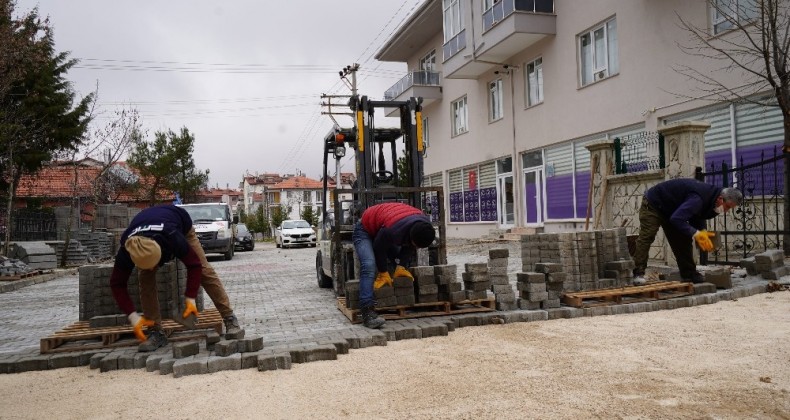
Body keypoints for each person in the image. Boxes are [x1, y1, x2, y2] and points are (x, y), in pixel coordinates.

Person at [110, 204, 243, 351]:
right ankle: (156, 332)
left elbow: (194, 265)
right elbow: (117, 284)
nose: (154, 269)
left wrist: (190, 299)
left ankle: (229, 318)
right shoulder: (128, 249)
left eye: (154, 264)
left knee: (205, 271)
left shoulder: (172, 236)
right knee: (145, 280)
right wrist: (132, 315)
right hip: (146, 225)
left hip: (179, 223)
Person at [632, 178, 743, 285]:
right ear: (720, 198)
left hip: (672, 210)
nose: (726, 210)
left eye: (730, 208)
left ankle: (689, 274)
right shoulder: (698, 198)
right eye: (727, 206)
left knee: (682, 238)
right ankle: (638, 273)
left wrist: (702, 233)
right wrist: (697, 234)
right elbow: (677, 219)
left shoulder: (711, 200)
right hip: (653, 204)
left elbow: (697, 216)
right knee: (647, 236)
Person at [353, 202, 436, 329]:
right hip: (365, 229)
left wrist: (401, 266)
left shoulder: (424, 226)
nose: (415, 247)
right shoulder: (394, 230)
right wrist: (383, 272)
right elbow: (378, 247)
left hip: (386, 223)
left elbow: (410, 246)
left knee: (397, 258)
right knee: (369, 265)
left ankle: (399, 293)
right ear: (411, 236)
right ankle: (367, 312)